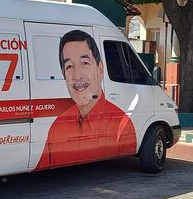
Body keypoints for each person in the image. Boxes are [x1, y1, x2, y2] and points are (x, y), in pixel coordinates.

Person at [35, 29, 136, 170]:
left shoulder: (122, 126)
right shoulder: (57, 127)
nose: (77, 76)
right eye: (69, 66)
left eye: (84, 63)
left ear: (100, 69)